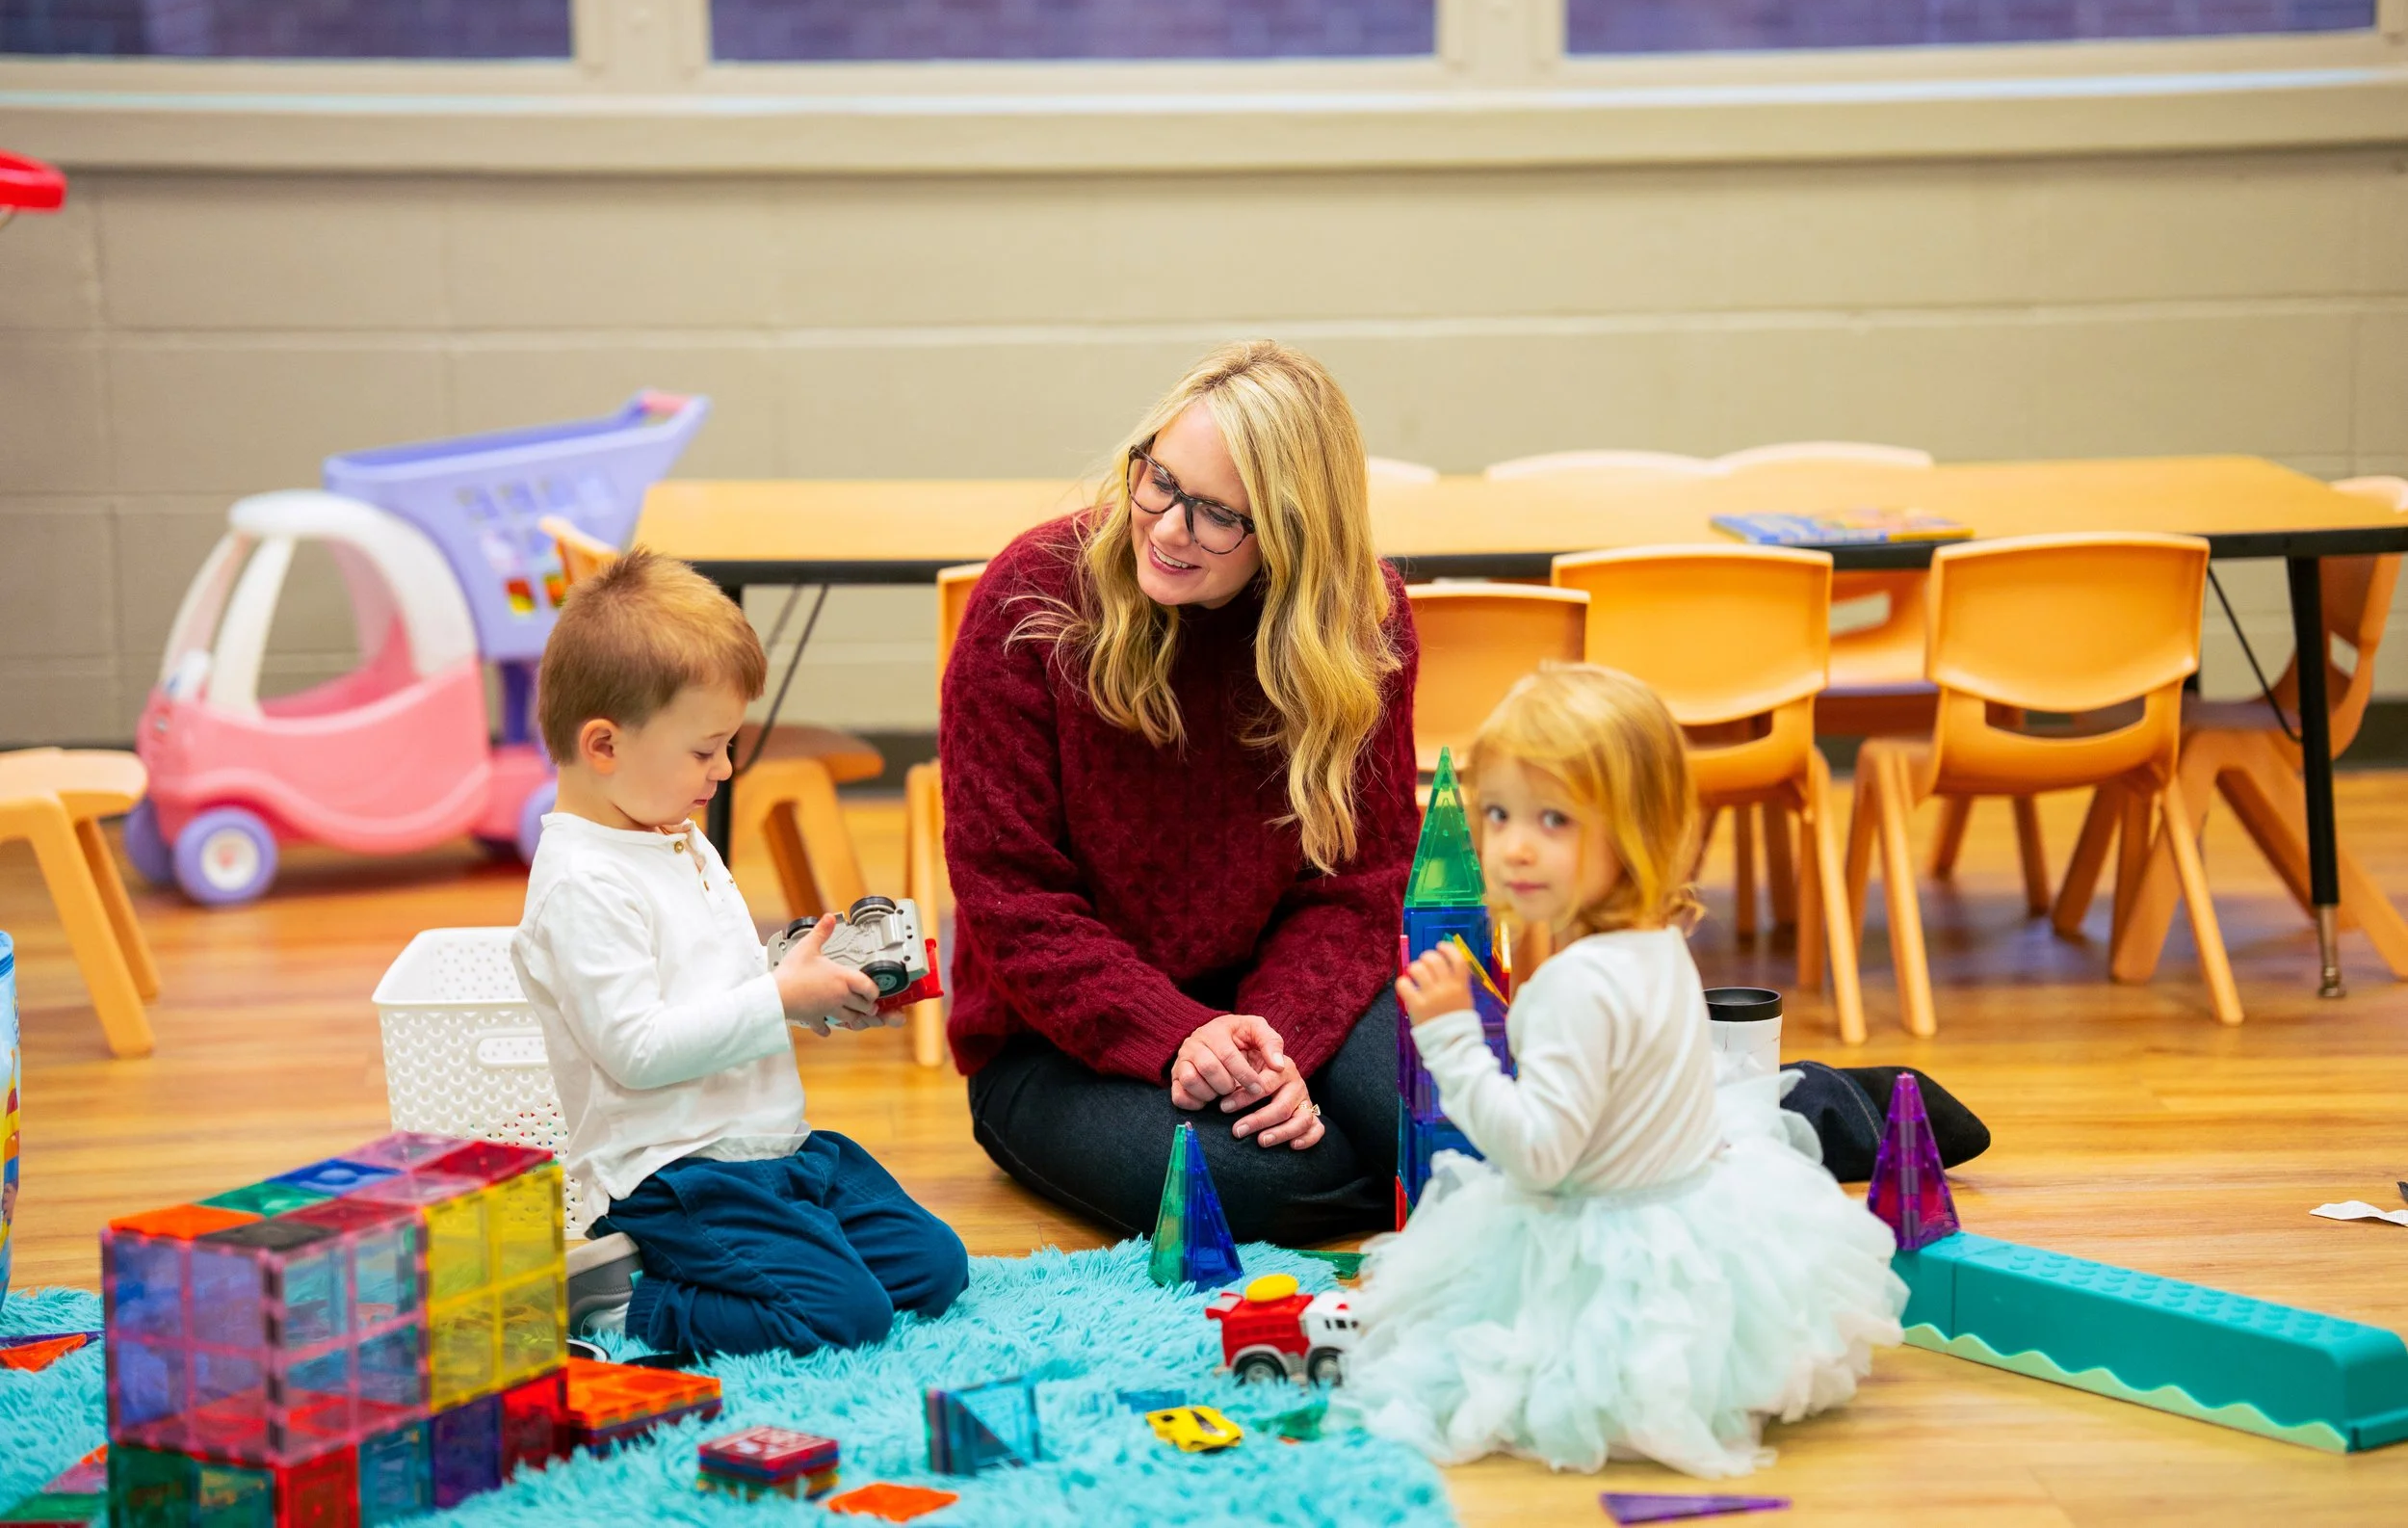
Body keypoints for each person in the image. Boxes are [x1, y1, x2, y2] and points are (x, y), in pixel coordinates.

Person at [1340, 665, 1907, 1478]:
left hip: (1604, 1241)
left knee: (1454, 1351)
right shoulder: (1657, 941)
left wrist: (1453, 1037)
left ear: (1636, 827)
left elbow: (1537, 1157)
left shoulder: (1574, 985)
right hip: (1689, 1211)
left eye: (1554, 818)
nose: (1515, 844)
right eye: (1498, 813)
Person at [943, 340, 1420, 1244]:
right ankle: (1429, 1179)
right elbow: (1012, 900)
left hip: (1275, 1000)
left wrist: (1267, 1040)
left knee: (1438, 1106)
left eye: (1216, 515)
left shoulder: (1361, 620)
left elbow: (1359, 881)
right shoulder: (1031, 599)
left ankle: (1433, 1163)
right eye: (1159, 479)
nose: (1166, 528)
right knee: (1237, 1178)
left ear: (1291, 535)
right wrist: (1179, 1035)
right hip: (1059, 1040)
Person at [511, 549, 967, 1359]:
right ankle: (629, 1302)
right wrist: (778, 999)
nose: (724, 769)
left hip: (773, 1145)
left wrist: (809, 992)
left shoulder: (672, 832)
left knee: (935, 1265)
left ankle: (747, 1264)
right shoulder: (582, 883)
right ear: (605, 745)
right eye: (705, 750)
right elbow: (637, 1050)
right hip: (679, 1172)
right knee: (845, 1314)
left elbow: (717, 987)